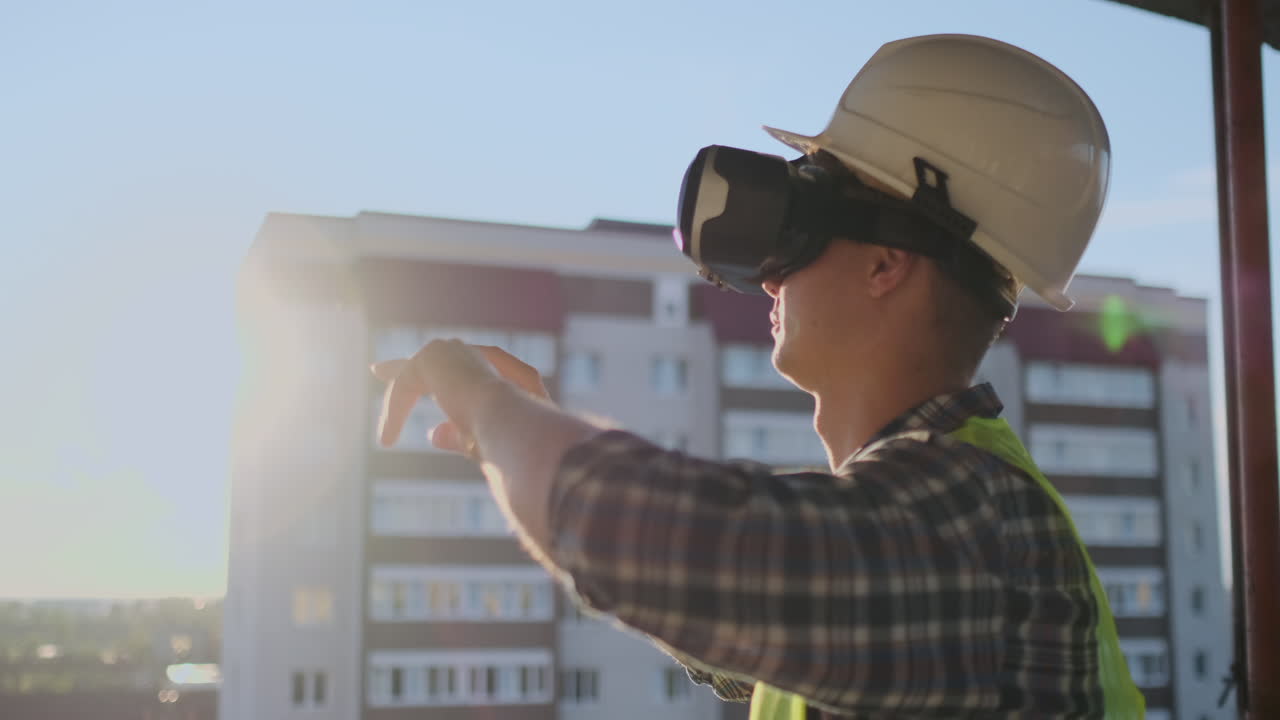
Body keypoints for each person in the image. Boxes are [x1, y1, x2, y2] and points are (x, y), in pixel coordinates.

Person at [371, 34, 1145, 718]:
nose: (769, 277)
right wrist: (518, 424)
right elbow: (747, 635)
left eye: (802, 220)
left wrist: (481, 398)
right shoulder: (932, 505)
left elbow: (663, 542)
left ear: (885, 261)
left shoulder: (964, 516)